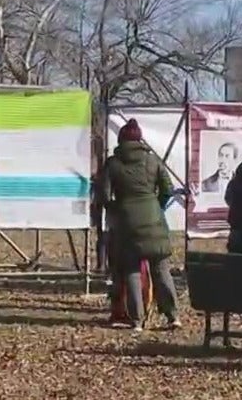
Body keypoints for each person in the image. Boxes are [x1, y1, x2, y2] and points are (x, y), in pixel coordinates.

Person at [97, 118, 181, 332]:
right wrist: (157, 206)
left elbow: (104, 195)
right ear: (140, 139)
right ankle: (173, 316)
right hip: (154, 219)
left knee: (132, 270)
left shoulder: (113, 163)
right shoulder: (153, 161)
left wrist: (118, 210)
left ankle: (137, 321)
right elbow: (168, 189)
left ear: (121, 140)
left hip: (127, 224)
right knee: (161, 269)